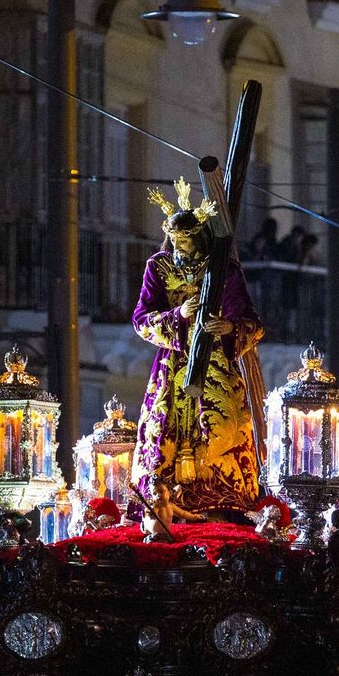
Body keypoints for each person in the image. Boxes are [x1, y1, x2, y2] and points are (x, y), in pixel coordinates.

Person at [132, 178, 263, 515]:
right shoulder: (157, 268)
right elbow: (142, 319)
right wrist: (178, 315)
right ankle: (161, 501)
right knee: (165, 432)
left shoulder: (223, 270)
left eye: (188, 241)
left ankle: (224, 502)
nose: (182, 248)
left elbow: (251, 322)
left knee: (220, 430)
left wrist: (229, 326)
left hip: (215, 362)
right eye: (177, 241)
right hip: (173, 365)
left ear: (200, 238)